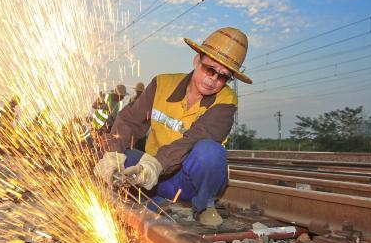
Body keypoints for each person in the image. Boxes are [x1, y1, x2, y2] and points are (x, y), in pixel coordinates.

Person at [94, 27, 252, 226]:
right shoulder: (162, 84)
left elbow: (194, 139)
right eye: (209, 69)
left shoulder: (226, 101)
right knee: (122, 156)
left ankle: (204, 205)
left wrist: (156, 165)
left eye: (223, 76)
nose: (213, 79)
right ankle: (153, 200)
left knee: (209, 152)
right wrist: (113, 153)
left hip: (187, 181)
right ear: (197, 60)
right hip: (151, 178)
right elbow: (129, 121)